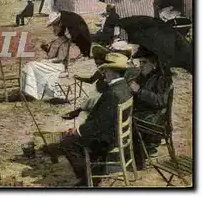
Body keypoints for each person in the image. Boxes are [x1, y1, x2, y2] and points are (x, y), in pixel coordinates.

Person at [43, 53, 132, 186]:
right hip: (116, 133)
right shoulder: (124, 87)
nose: (103, 73)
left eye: (106, 70)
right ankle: (94, 170)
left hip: (107, 139)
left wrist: (77, 131)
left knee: (67, 142)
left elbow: (98, 125)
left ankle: (89, 179)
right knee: (72, 137)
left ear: (113, 72)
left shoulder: (112, 94)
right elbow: (101, 119)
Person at [62, 44, 138, 120]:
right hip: (110, 95)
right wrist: (78, 77)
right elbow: (91, 79)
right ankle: (79, 111)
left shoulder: (130, 71)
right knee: (93, 99)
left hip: (117, 99)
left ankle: (83, 115)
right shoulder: (108, 68)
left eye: (117, 52)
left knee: (96, 101)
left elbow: (126, 89)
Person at [130, 46, 172, 169]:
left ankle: (139, 160)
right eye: (140, 62)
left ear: (154, 63)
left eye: (144, 62)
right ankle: (137, 153)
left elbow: (160, 101)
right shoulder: (144, 76)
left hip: (156, 119)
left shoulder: (163, 78)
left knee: (128, 121)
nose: (141, 65)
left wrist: (139, 91)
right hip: (148, 115)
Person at [21, 12, 70, 100]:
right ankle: (33, 92)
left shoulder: (64, 41)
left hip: (59, 66)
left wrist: (47, 61)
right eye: (53, 26)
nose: (53, 29)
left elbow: (60, 58)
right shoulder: (56, 40)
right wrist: (45, 48)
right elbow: (51, 55)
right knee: (30, 65)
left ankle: (33, 93)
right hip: (52, 65)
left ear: (61, 27)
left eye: (55, 26)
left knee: (31, 65)